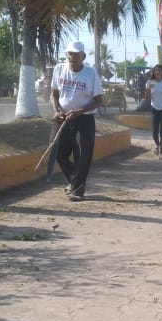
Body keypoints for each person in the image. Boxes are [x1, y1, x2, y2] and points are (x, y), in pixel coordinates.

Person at [50, 40, 104, 201]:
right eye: (69, 53)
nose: (71, 56)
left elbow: (99, 100)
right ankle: (75, 181)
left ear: (83, 56)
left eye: (75, 54)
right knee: (58, 152)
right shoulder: (59, 69)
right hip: (62, 118)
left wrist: (80, 111)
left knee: (83, 155)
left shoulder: (90, 73)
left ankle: (77, 191)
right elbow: (54, 94)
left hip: (84, 119)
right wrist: (56, 110)